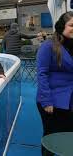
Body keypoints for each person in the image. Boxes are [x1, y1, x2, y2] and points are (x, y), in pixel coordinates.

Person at [36, 11, 73, 156]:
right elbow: (42, 74)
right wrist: (46, 101)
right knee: (51, 137)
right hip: (53, 101)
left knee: (69, 136)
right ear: (62, 26)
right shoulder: (48, 46)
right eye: (71, 25)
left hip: (70, 101)